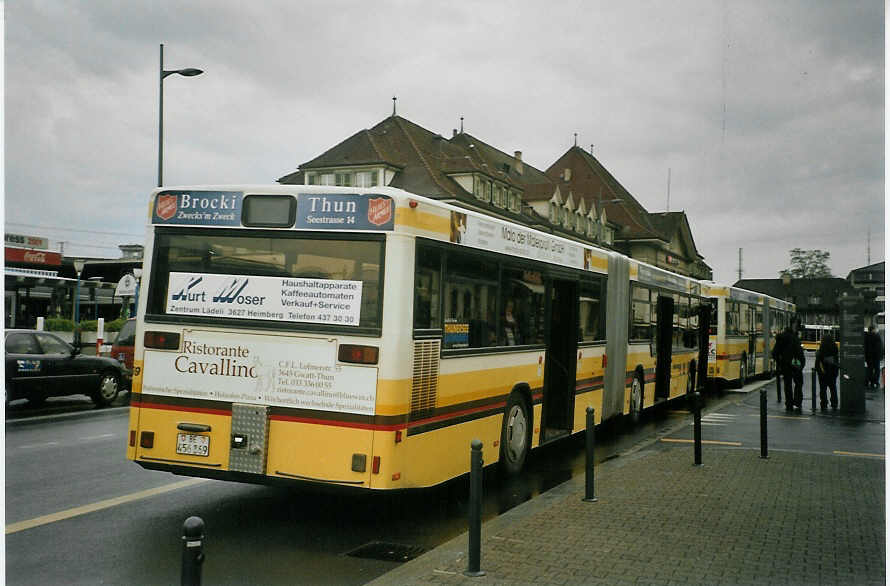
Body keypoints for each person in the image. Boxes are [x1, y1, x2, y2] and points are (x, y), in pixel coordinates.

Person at [772, 320, 805, 411]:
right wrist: (802, 363)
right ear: (794, 325)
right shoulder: (794, 337)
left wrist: (780, 362)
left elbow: (775, 353)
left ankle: (789, 403)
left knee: (788, 384)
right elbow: (799, 353)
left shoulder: (783, 337)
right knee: (798, 383)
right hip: (796, 364)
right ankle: (797, 401)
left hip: (786, 365)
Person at [815, 332, 839, 411]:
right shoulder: (835, 348)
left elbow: (818, 361)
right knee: (833, 388)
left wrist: (818, 370)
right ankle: (834, 403)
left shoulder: (822, 349)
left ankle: (824, 404)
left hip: (823, 372)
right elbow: (836, 361)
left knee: (823, 389)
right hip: (832, 372)